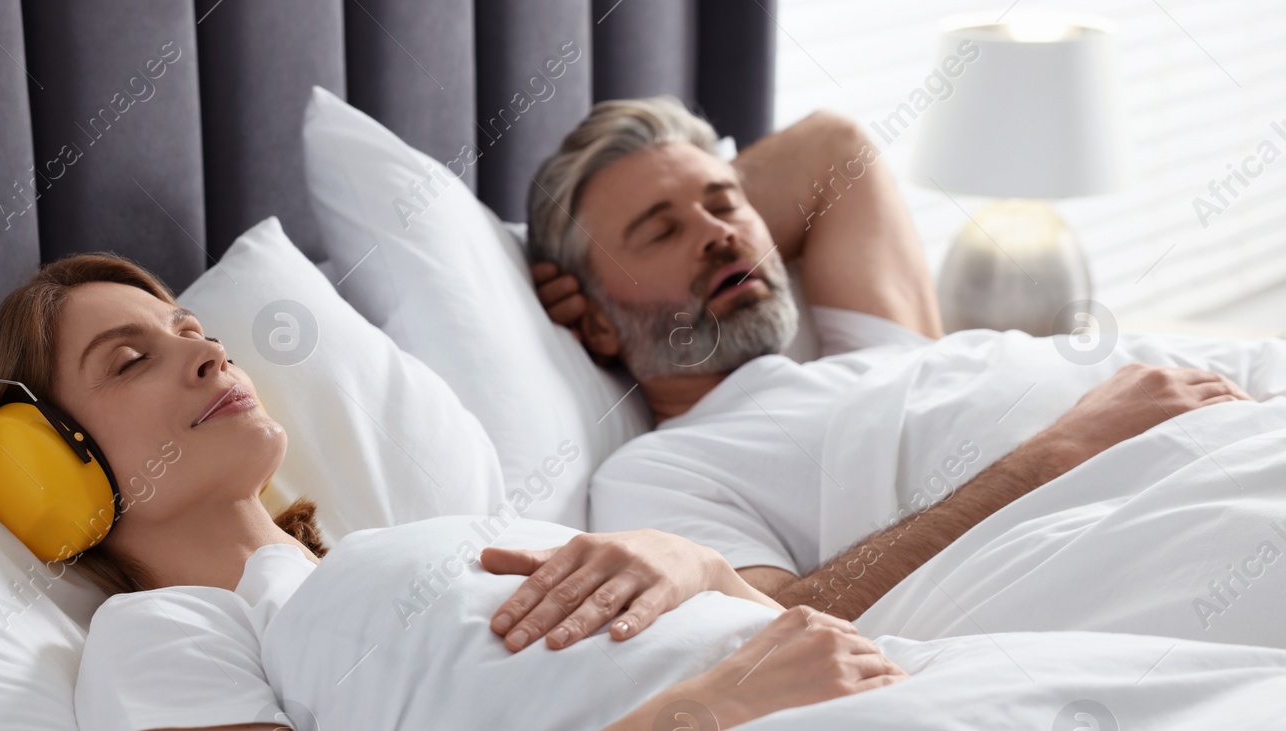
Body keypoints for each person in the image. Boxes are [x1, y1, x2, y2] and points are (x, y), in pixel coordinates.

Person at [0, 253, 907, 731]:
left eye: (193, 329)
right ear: (46, 470)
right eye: (130, 359)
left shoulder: (393, 551)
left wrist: (691, 562)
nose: (205, 354)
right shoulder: (166, 634)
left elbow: (785, 640)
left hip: (865, 719)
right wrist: (713, 707)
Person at [524, 97, 1256, 621]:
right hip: (1155, 507)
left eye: (727, 203)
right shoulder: (661, 470)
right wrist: (1061, 450)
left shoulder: (874, 350)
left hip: (1237, 410)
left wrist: (679, 226)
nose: (719, 234)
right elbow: (767, 632)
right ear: (591, 320)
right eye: (659, 232)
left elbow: (834, 148)